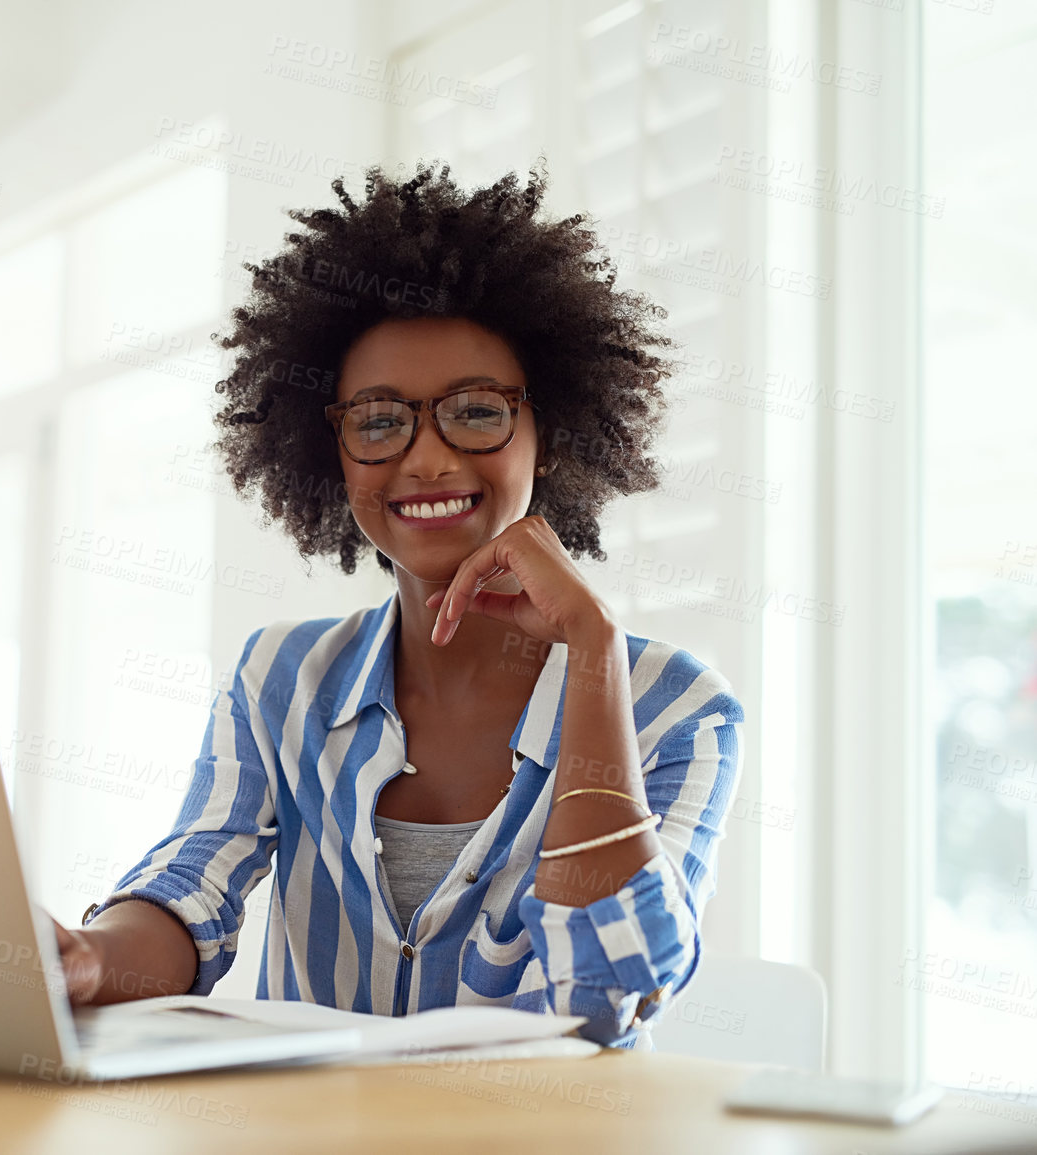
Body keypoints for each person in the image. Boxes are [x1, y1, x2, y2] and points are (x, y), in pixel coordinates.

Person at [50, 160, 744, 1048]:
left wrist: (594, 650)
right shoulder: (282, 677)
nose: (424, 459)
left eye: (476, 411)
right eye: (379, 421)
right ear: (329, 452)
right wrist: (87, 959)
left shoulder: (677, 707)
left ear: (552, 435)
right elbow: (192, 892)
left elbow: (607, 995)